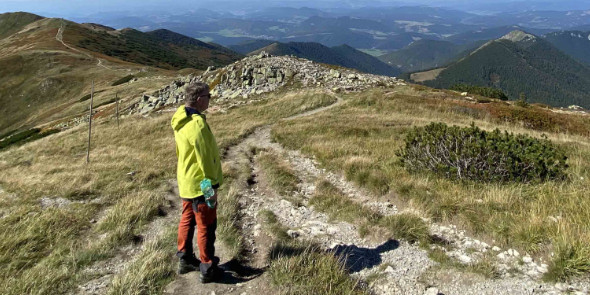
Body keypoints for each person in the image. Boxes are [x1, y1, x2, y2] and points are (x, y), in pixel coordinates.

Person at [171, 81, 223, 283]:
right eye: (208, 97)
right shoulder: (197, 124)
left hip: (185, 180)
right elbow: (206, 158)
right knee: (206, 224)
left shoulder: (180, 118)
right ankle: (207, 266)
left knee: (187, 218)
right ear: (200, 99)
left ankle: (184, 258)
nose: (210, 99)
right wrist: (212, 185)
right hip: (202, 184)